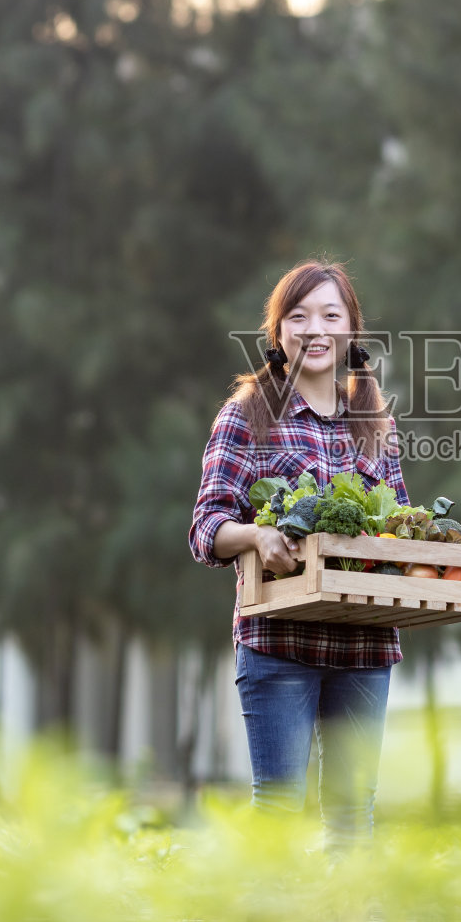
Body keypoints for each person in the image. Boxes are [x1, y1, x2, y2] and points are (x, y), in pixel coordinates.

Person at [188, 259, 407, 848]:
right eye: (299, 315)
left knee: (351, 819)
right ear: (278, 332)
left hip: (364, 641)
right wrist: (257, 537)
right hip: (281, 639)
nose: (316, 329)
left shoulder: (374, 423)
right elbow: (206, 528)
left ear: (350, 331)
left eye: (330, 315)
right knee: (279, 812)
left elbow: (401, 525)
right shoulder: (248, 414)